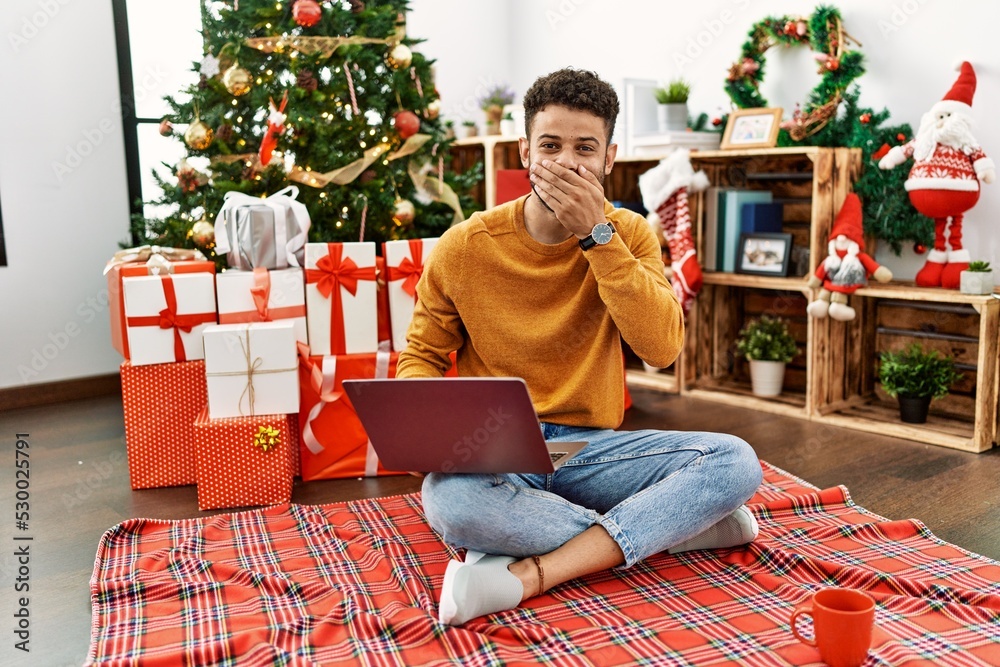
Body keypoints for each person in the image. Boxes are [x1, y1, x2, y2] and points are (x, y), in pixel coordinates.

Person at [396, 67, 763, 626]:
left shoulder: (630, 234)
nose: (567, 163)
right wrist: (426, 430)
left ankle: (537, 571)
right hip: (493, 450)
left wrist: (598, 238)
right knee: (451, 503)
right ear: (525, 151)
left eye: (585, 149)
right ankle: (672, 528)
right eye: (550, 146)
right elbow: (421, 356)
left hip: (587, 450)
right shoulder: (464, 246)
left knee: (734, 461)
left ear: (609, 158)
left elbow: (661, 349)